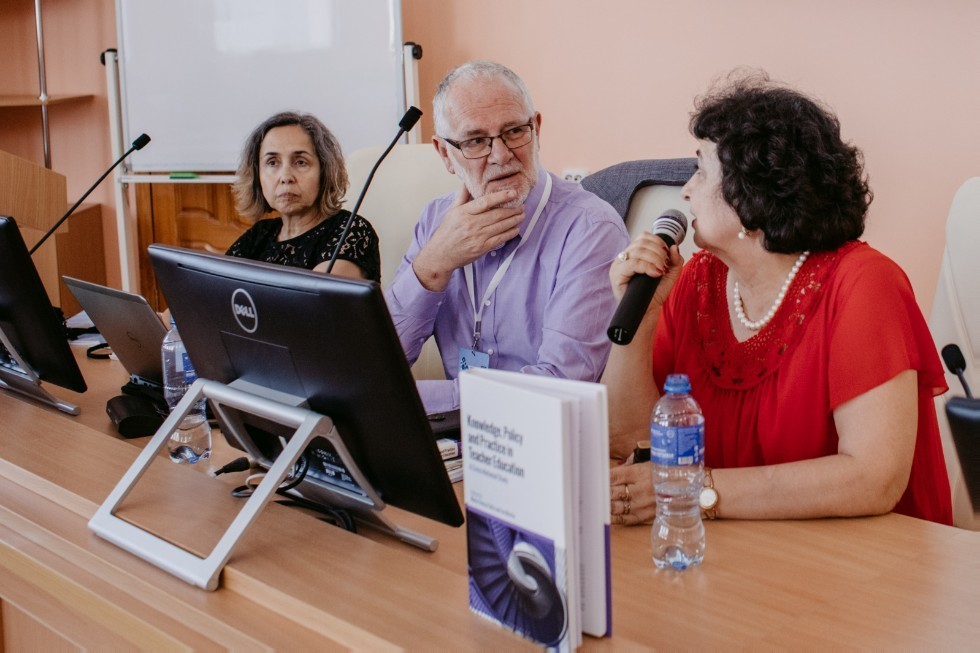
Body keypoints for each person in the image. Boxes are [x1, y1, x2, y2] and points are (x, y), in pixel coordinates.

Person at [604, 72, 953, 526]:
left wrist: (697, 489)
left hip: (861, 565)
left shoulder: (865, 284)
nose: (686, 189)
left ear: (752, 197)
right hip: (735, 552)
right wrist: (642, 320)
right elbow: (627, 442)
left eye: (702, 170)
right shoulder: (697, 281)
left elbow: (872, 477)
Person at [385, 61, 629, 413]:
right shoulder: (435, 221)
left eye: (514, 131)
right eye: (476, 141)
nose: (501, 155)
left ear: (537, 129)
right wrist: (433, 265)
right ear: (445, 155)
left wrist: (405, 401)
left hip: (543, 440)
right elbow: (381, 362)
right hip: (451, 442)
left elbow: (559, 387)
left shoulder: (590, 229)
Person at [226, 111, 381, 282]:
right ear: (257, 175)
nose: (286, 177)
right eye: (272, 163)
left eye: (300, 162)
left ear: (325, 171)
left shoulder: (351, 230)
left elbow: (311, 302)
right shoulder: (259, 235)